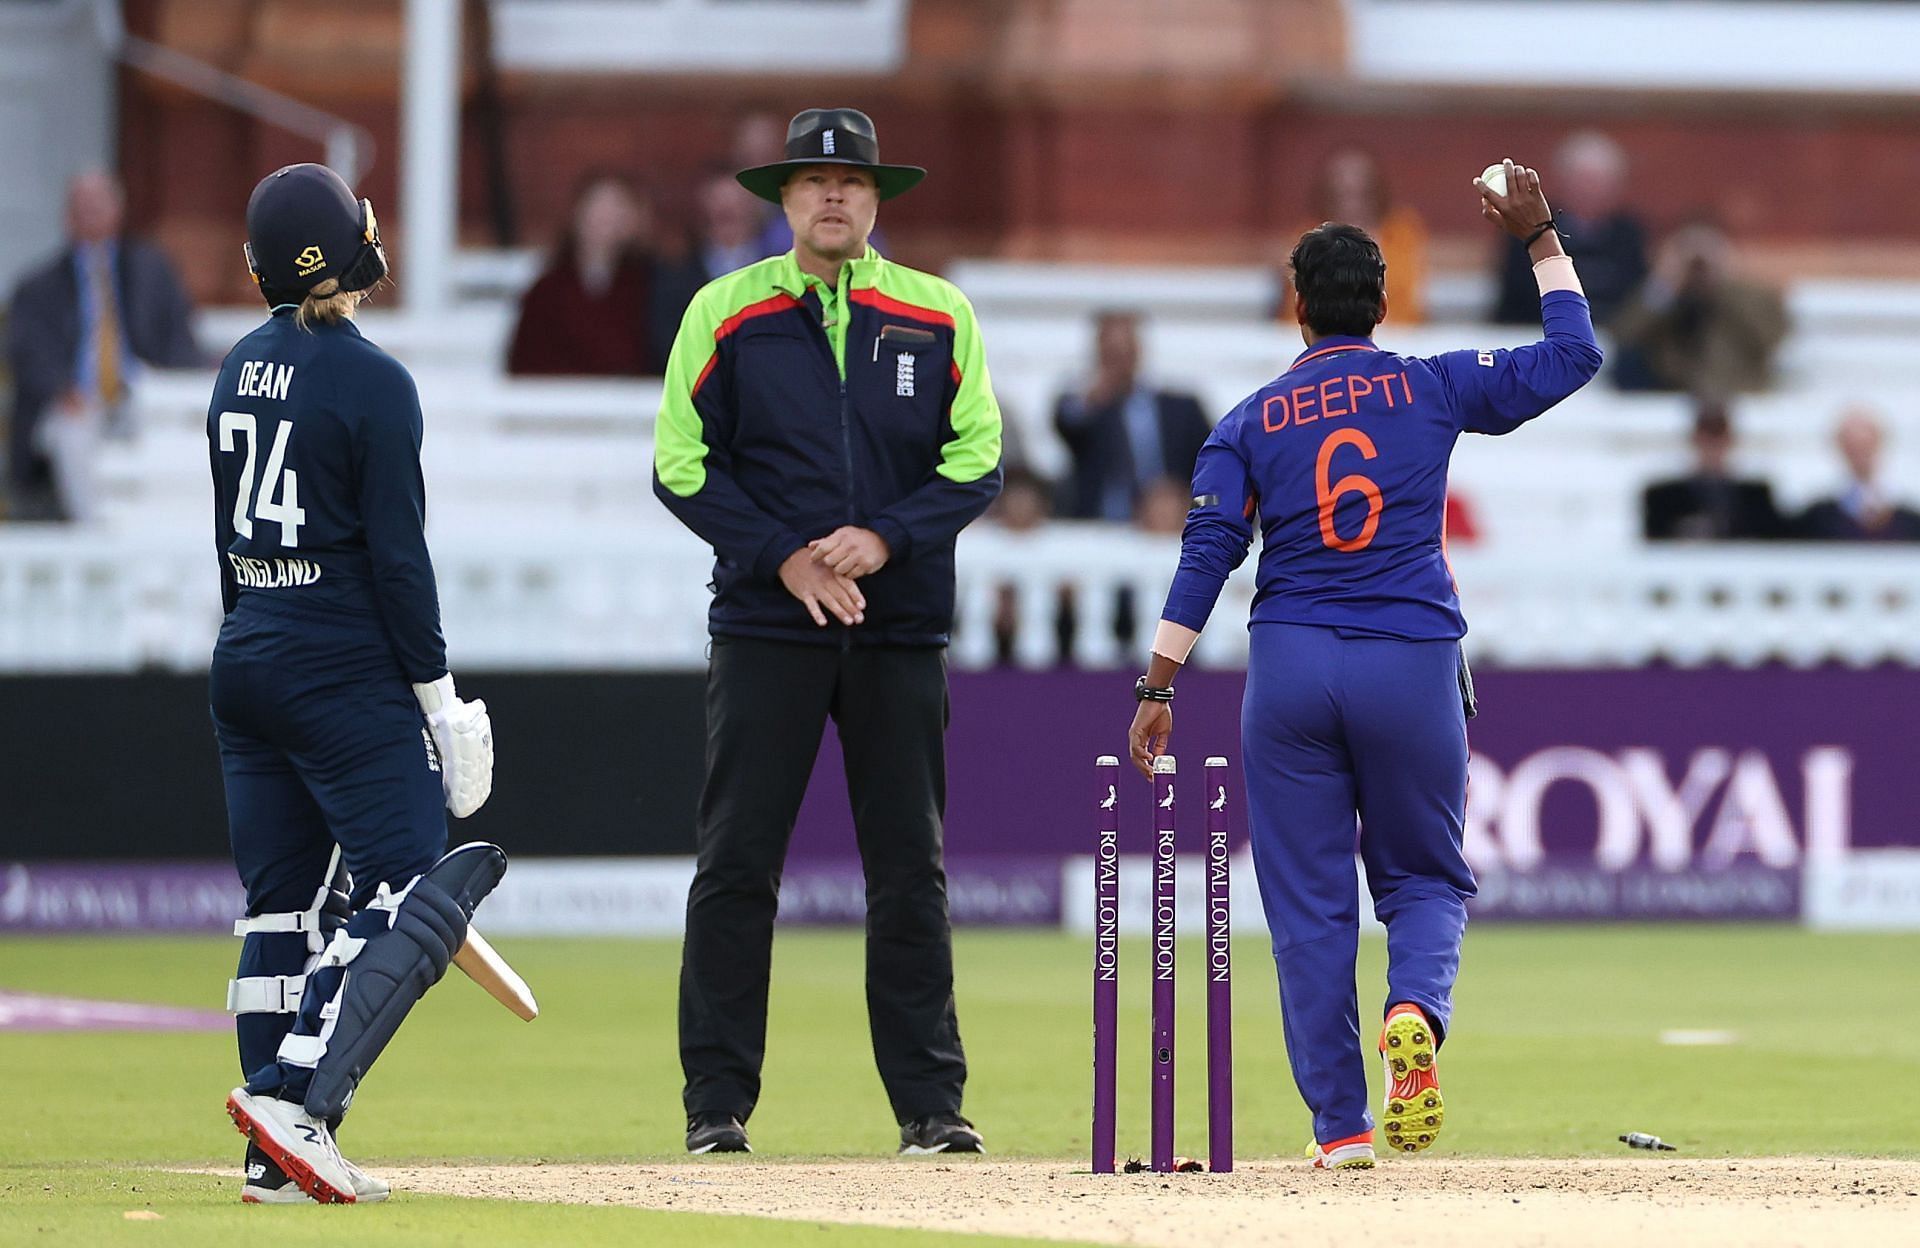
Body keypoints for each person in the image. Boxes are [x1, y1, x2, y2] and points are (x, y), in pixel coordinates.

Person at [1127, 161, 1602, 1169]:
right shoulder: (1431, 385)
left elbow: (1207, 551)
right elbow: (1574, 356)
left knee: (1308, 906)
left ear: (1297, 309)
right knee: (1426, 878)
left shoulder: (1247, 421)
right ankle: (1416, 1010)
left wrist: (1158, 686)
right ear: (1383, 304)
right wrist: (1540, 238)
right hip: (1412, 658)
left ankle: (1340, 1127)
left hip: (1293, 667)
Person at [652, 108, 1002, 1156]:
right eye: (813, 182)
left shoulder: (937, 313)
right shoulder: (725, 311)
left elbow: (978, 457)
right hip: (769, 625)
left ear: (877, 198)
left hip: (896, 631)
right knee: (737, 863)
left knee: (909, 870)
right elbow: (680, 462)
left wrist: (886, 540)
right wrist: (786, 558)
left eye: (851, 181)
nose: (834, 197)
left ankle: (931, 1109)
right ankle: (716, 1107)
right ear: (783, 199)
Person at [210, 164, 499, 1203]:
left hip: (245, 654)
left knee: (277, 911)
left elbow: (228, 543)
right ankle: (296, 1103)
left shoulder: (235, 367)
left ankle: (268, 1159)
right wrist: (441, 701)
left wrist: (256, 637)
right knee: (405, 877)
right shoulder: (377, 383)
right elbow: (397, 561)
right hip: (337, 666)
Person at [6, 171, 201, 520]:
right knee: (71, 435)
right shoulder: (38, 286)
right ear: (67, 216)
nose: (91, 215)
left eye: (99, 206)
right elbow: (28, 353)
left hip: (140, 394)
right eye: (82, 207)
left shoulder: (152, 271)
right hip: (77, 401)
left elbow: (179, 338)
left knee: (174, 434)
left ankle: (164, 534)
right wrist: (60, 388)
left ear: (118, 211)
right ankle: (97, 539)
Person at [1053, 310, 1211, 522]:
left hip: (1174, 521)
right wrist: (1098, 394)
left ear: (1139, 350)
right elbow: (1067, 423)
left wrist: (1187, 502)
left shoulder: (1182, 410)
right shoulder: (1084, 407)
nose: (1119, 361)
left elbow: (1216, 471)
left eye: (1125, 351)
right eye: (1111, 353)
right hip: (1101, 526)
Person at [506, 171, 658, 376]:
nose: (606, 217)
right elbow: (525, 362)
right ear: (577, 212)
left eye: (617, 207)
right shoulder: (547, 291)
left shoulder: (649, 285)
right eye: (597, 206)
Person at [1612, 220, 1789, 396]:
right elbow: (1624, 335)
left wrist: (1723, 284)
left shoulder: (1754, 295)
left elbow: (1772, 338)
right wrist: (1666, 284)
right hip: (1672, 399)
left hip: (1741, 397)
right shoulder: (1661, 296)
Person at [1491, 131, 1646, 327]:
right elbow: (1519, 297)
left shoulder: (1629, 234)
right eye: (1584, 181)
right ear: (1563, 181)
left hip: (1613, 338)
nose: (1591, 190)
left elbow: (1635, 294)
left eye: (1599, 182)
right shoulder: (1529, 227)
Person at [1282, 146, 1429, 324]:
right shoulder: (1308, 237)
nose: (1352, 203)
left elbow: (1410, 294)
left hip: (1397, 334)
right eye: (1342, 194)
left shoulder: (1401, 233)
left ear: (1375, 191)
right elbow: (1298, 302)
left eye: (1361, 193)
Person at [650, 170, 777, 368]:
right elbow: (666, 343)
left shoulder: (780, 275)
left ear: (754, 208)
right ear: (704, 210)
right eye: (719, 205)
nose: (727, 210)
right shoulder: (676, 276)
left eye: (736, 204)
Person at [1642, 401, 1784, 541]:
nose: (1713, 443)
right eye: (1707, 434)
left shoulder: (1756, 497)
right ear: (1694, 439)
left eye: (1718, 434)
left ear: (1730, 440)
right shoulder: (1663, 498)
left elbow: (1779, 536)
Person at [1794, 405, 1920, 541]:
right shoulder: (1820, 516)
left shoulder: (1907, 518)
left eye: (1865, 446)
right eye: (1853, 447)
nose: (1860, 455)